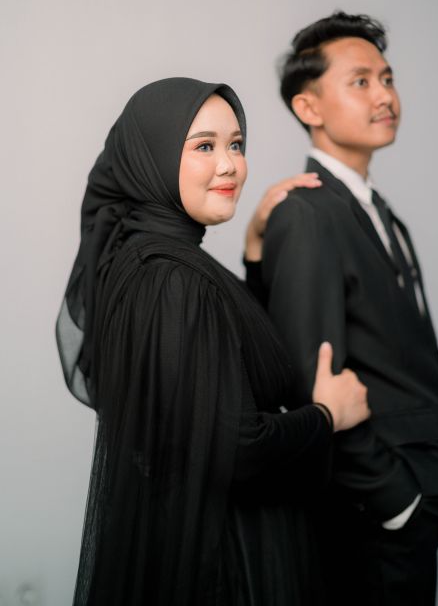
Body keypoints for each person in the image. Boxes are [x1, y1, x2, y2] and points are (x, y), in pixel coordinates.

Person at [56, 77, 370, 606]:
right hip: (225, 563)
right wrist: (327, 416)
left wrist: (254, 253)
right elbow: (236, 450)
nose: (230, 165)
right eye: (204, 146)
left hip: (196, 547)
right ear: (153, 156)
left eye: (236, 144)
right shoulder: (173, 278)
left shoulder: (146, 257)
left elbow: (220, 360)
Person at [248, 13, 438, 605]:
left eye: (387, 78)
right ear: (309, 108)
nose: (385, 96)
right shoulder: (307, 214)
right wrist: (395, 501)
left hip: (417, 495)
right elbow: (310, 383)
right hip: (376, 517)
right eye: (361, 82)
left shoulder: (375, 210)